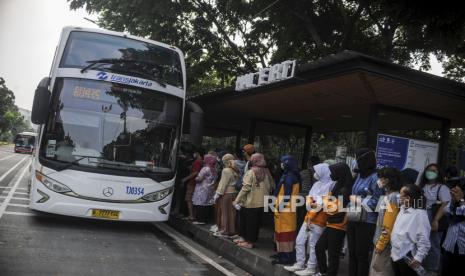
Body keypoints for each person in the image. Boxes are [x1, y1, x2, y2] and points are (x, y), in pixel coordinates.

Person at [284, 163, 334, 275]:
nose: (315, 173)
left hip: (319, 219)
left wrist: (313, 204)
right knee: (300, 240)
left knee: (313, 244)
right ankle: (300, 263)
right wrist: (312, 204)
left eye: (317, 171)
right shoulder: (317, 184)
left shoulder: (331, 185)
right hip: (308, 217)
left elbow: (322, 204)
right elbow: (309, 200)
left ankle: (311, 267)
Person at [347, 148, 384, 276]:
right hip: (353, 217)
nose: (356, 162)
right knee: (351, 252)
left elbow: (377, 202)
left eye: (358, 159)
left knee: (361, 254)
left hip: (367, 221)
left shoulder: (376, 178)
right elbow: (352, 194)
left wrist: (358, 200)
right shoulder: (359, 175)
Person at [315, 162, 353, 276]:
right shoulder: (338, 185)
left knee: (333, 253)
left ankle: (329, 273)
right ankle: (324, 272)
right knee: (319, 247)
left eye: (333, 172)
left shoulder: (345, 189)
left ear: (340, 173)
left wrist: (324, 202)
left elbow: (331, 208)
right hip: (331, 223)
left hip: (339, 225)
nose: (331, 175)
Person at [232, 153, 273, 249]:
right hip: (262, 202)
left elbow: (245, 188)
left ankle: (249, 242)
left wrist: (237, 200)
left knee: (249, 223)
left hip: (250, 202)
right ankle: (245, 239)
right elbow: (271, 186)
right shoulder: (267, 172)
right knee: (255, 223)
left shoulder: (251, 172)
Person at [390, 184, 430, 276]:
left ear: (408, 198)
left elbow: (424, 238)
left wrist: (418, 257)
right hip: (395, 255)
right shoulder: (402, 209)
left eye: (400, 195)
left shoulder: (420, 214)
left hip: (408, 257)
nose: (398, 196)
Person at [369, 167, 402, 276]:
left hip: (384, 245)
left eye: (381, 178)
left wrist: (380, 244)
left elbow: (388, 225)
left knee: (380, 272)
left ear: (387, 180)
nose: (379, 180)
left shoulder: (392, 198)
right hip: (381, 242)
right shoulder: (389, 196)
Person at [418, 163, 450, 273]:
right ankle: (420, 268)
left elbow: (445, 204)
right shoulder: (421, 185)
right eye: (429, 170)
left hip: (433, 218)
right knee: (421, 242)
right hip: (421, 218)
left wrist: (436, 220)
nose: (431, 172)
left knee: (433, 245)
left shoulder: (442, 187)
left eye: (434, 171)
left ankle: (432, 270)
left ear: (438, 173)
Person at [273, 155, 301, 265]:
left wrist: (280, 207)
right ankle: (281, 253)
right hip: (286, 208)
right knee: (281, 231)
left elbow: (287, 195)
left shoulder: (289, 176)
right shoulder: (289, 175)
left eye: (283, 162)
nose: (281, 164)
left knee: (285, 231)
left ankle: (286, 257)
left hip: (285, 208)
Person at [441, 181, 465, 276]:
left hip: (463, 247)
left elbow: (460, 214)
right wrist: (453, 200)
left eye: (458, 191)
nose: (455, 193)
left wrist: (461, 201)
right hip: (449, 245)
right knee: (446, 271)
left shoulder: (461, 203)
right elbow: (446, 211)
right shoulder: (455, 201)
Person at [213, 153, 239, 237]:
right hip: (234, 193)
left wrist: (217, 194)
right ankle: (232, 230)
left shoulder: (226, 170)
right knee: (232, 213)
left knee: (224, 213)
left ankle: (224, 231)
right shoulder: (235, 169)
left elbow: (223, 184)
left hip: (226, 194)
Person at [192, 153, 217, 225]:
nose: (203, 160)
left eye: (205, 159)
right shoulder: (214, 169)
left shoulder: (205, 168)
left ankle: (200, 220)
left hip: (202, 189)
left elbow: (199, 179)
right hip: (210, 189)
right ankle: (206, 219)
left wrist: (196, 178)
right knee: (207, 204)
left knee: (200, 204)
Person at [182, 148, 204, 221]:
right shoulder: (202, 162)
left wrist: (185, 178)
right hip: (197, 183)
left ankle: (191, 215)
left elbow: (196, 172)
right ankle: (193, 215)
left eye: (195, 153)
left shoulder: (198, 161)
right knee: (194, 199)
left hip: (192, 182)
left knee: (189, 199)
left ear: (197, 153)